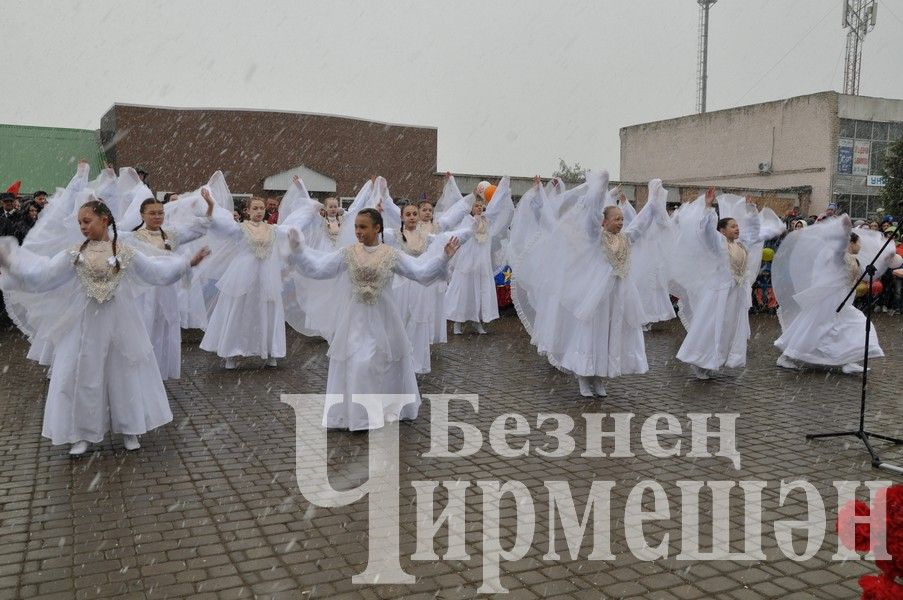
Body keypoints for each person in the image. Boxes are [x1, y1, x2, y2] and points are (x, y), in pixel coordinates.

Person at [0, 198, 209, 455]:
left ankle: (130, 428)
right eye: (80, 223)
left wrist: (187, 263)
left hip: (121, 322)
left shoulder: (125, 252)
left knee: (124, 372)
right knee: (81, 374)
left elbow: (155, 271)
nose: (83, 227)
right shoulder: (74, 254)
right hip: (84, 324)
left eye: (87, 221)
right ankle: (82, 432)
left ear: (105, 220)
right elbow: (44, 277)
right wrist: (11, 264)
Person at [287, 208, 461, 430]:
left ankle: (385, 408)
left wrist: (444, 257)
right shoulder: (347, 253)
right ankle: (358, 416)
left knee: (381, 361)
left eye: (363, 227)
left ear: (377, 228)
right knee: (360, 362)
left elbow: (421, 273)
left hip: (384, 318)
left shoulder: (391, 255)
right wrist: (298, 251)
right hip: (355, 319)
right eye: (356, 227)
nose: (358, 231)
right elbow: (319, 270)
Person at [512, 171, 666, 397]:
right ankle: (584, 377)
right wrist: (599, 188)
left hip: (618, 295)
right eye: (616, 219)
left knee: (608, 335)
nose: (621, 223)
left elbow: (640, 225)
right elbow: (592, 213)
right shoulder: (595, 237)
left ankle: (599, 377)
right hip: (596, 295)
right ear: (604, 222)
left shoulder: (625, 238)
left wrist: (654, 198)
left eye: (622, 219)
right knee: (591, 333)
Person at [671, 188, 785, 379]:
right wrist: (708, 207)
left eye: (737, 226)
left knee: (728, 329)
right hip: (718, 293)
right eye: (732, 226)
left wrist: (750, 209)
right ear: (722, 230)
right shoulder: (718, 243)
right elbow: (706, 230)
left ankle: (714, 361)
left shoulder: (742, 243)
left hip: (735, 294)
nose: (736, 229)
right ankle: (700, 360)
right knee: (711, 327)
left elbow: (755, 231)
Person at [774, 221, 899, 373]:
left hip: (844, 303)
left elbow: (870, 272)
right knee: (814, 328)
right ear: (850, 243)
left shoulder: (854, 259)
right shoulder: (837, 256)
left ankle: (847, 360)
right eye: (858, 242)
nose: (861, 246)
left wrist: (888, 257)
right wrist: (844, 229)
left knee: (856, 325)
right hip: (829, 301)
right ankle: (787, 356)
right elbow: (839, 249)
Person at [124, 191, 214, 379]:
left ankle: (160, 369)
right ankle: (142, 370)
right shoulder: (132, 238)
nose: (157, 217)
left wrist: (210, 206)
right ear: (142, 215)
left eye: (160, 213)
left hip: (167, 290)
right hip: (144, 291)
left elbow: (201, 228)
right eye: (152, 213)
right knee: (146, 325)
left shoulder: (172, 234)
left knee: (165, 326)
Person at [438, 174, 514, 335]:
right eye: (476, 206)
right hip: (466, 264)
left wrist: (504, 186)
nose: (480, 209)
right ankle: (457, 321)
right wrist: (453, 183)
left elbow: (498, 205)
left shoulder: (488, 222)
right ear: (472, 208)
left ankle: (476, 320)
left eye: (482, 206)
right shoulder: (466, 221)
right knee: (463, 291)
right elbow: (460, 203)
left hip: (481, 265)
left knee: (478, 292)